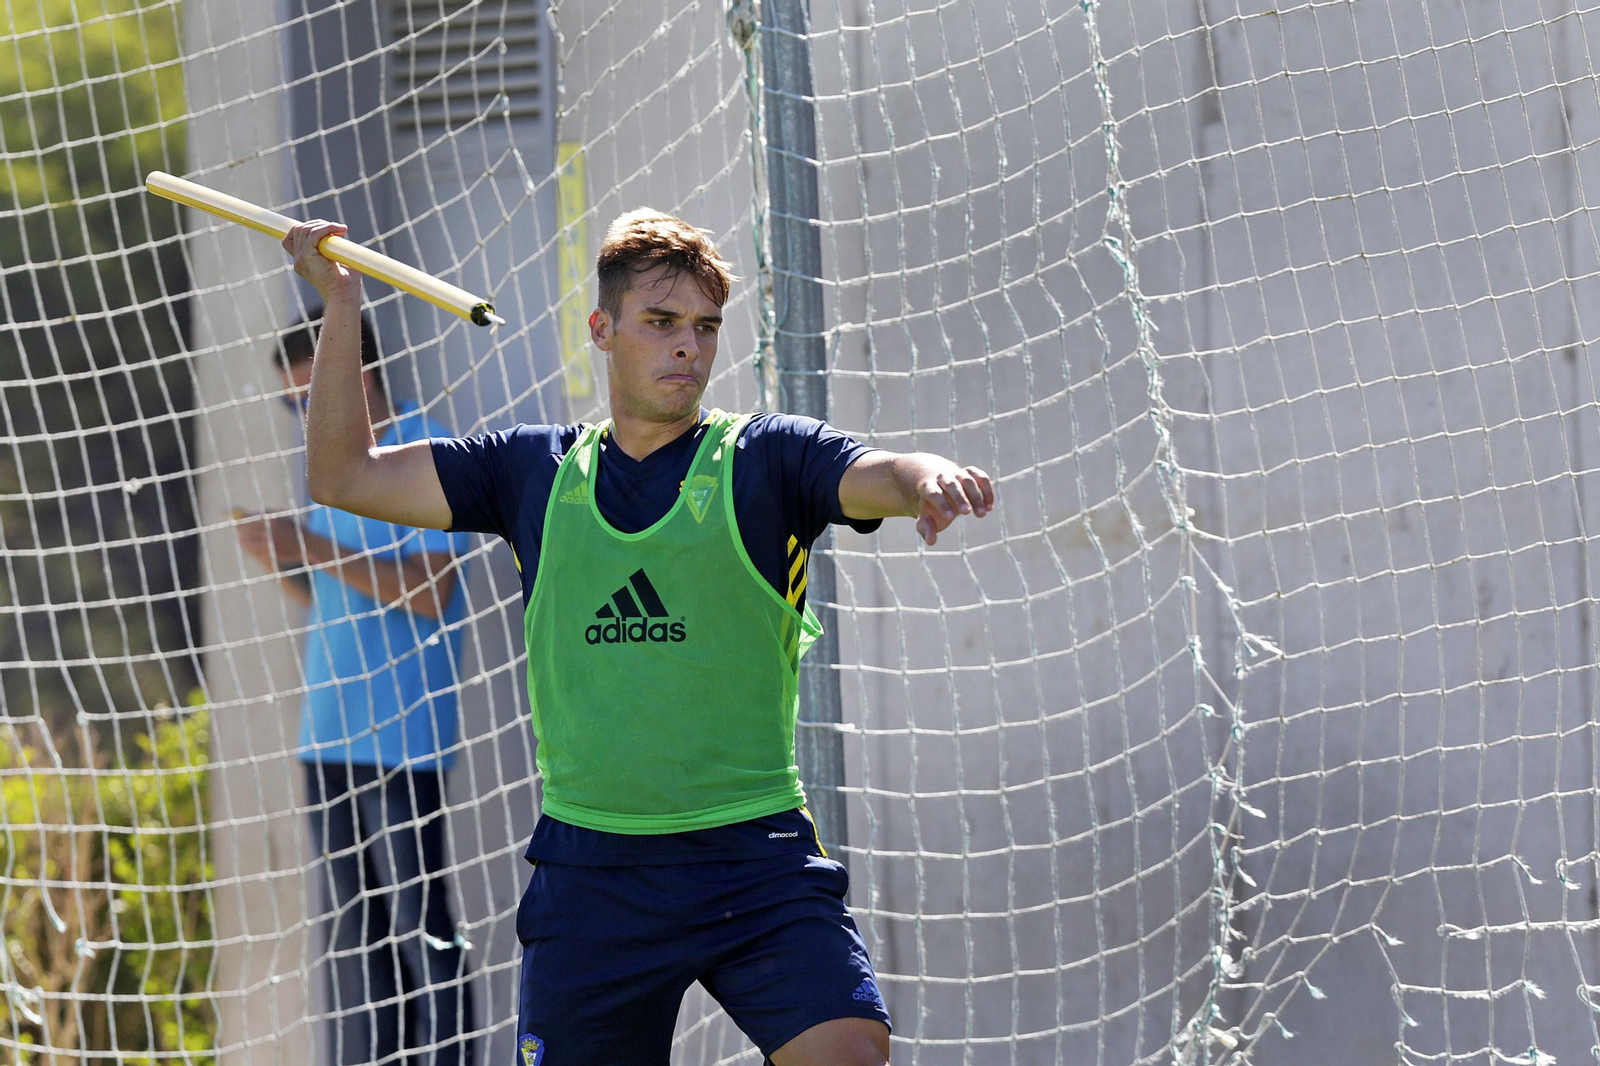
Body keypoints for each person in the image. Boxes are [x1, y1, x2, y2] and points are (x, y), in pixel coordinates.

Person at [280, 208, 995, 1066]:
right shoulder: (530, 472)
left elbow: (873, 470)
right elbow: (342, 474)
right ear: (604, 331)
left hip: (753, 855)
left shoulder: (764, 459)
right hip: (594, 874)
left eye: (704, 327)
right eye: (661, 323)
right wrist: (341, 305)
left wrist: (928, 479)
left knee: (849, 1054)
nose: (687, 346)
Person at [235, 310, 477, 1066]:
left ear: (356, 372)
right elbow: (334, 600)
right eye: (292, 406)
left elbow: (431, 592)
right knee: (354, 950)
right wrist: (283, 558)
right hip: (327, 735)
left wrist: (309, 545)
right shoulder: (326, 468)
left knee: (421, 932)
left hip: (402, 738)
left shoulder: (429, 448)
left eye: (307, 398)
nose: (303, 417)